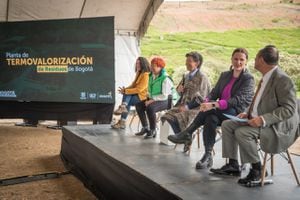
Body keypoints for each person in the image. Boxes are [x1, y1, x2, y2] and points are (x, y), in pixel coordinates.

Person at [211, 45, 299, 186]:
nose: (254, 61)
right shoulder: (266, 77)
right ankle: (233, 165)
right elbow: (259, 101)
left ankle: (257, 170)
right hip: (257, 120)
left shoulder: (282, 79)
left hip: (276, 126)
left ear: (262, 60)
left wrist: (262, 119)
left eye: (256, 58)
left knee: (242, 133)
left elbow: (289, 109)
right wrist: (248, 113)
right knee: (227, 125)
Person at [168, 48, 255, 169]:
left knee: (211, 111)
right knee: (210, 118)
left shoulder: (248, 79)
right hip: (219, 112)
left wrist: (213, 105)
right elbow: (214, 93)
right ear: (231, 59)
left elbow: (236, 100)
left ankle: (188, 133)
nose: (238, 62)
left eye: (241, 59)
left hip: (236, 113)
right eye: (235, 59)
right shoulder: (225, 75)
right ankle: (207, 156)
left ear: (246, 61)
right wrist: (207, 101)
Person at [161, 51, 211, 152]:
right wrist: (179, 90)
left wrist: (187, 107)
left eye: (189, 61)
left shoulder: (202, 78)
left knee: (177, 117)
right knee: (166, 116)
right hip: (182, 105)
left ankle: (184, 136)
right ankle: (185, 137)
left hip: (196, 108)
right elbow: (180, 92)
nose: (186, 63)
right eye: (186, 61)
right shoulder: (186, 76)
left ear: (197, 63)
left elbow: (202, 97)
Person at [135, 57, 174, 139]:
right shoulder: (150, 76)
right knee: (139, 105)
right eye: (151, 65)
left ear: (160, 67)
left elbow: (164, 95)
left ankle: (153, 130)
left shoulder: (165, 78)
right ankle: (145, 127)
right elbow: (149, 90)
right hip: (155, 98)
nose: (152, 67)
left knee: (150, 108)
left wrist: (151, 100)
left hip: (167, 100)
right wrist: (148, 98)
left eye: (154, 66)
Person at [112, 57, 150, 129]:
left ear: (143, 64)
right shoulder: (139, 72)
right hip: (136, 95)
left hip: (142, 97)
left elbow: (139, 89)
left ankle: (122, 120)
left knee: (127, 97)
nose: (137, 65)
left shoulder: (146, 75)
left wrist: (126, 91)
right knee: (127, 95)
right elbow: (133, 85)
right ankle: (123, 109)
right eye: (136, 63)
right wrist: (124, 89)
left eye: (139, 63)